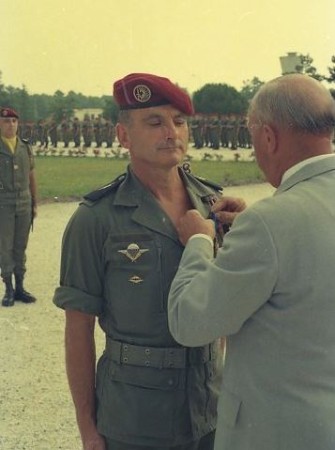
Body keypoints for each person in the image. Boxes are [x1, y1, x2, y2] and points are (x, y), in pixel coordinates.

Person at [53, 72, 245, 450]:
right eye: (154, 122)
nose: (171, 132)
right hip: (134, 417)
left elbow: (228, 300)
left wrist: (248, 231)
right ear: (123, 136)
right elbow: (78, 329)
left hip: (209, 408)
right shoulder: (96, 219)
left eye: (179, 121)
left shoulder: (214, 206)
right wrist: (88, 430)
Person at [167, 73, 335, 450]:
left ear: (269, 137)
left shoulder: (271, 221)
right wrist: (254, 233)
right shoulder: (272, 222)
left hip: (277, 433)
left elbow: (190, 322)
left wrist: (197, 241)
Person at [0, 107, 37, 307]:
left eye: (14, 121)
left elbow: (31, 176)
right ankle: (8, 288)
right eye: (6, 121)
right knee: (5, 247)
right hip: (3, 203)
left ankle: (20, 287)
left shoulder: (25, 147)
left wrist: (34, 203)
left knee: (20, 246)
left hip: (23, 202)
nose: (11, 125)